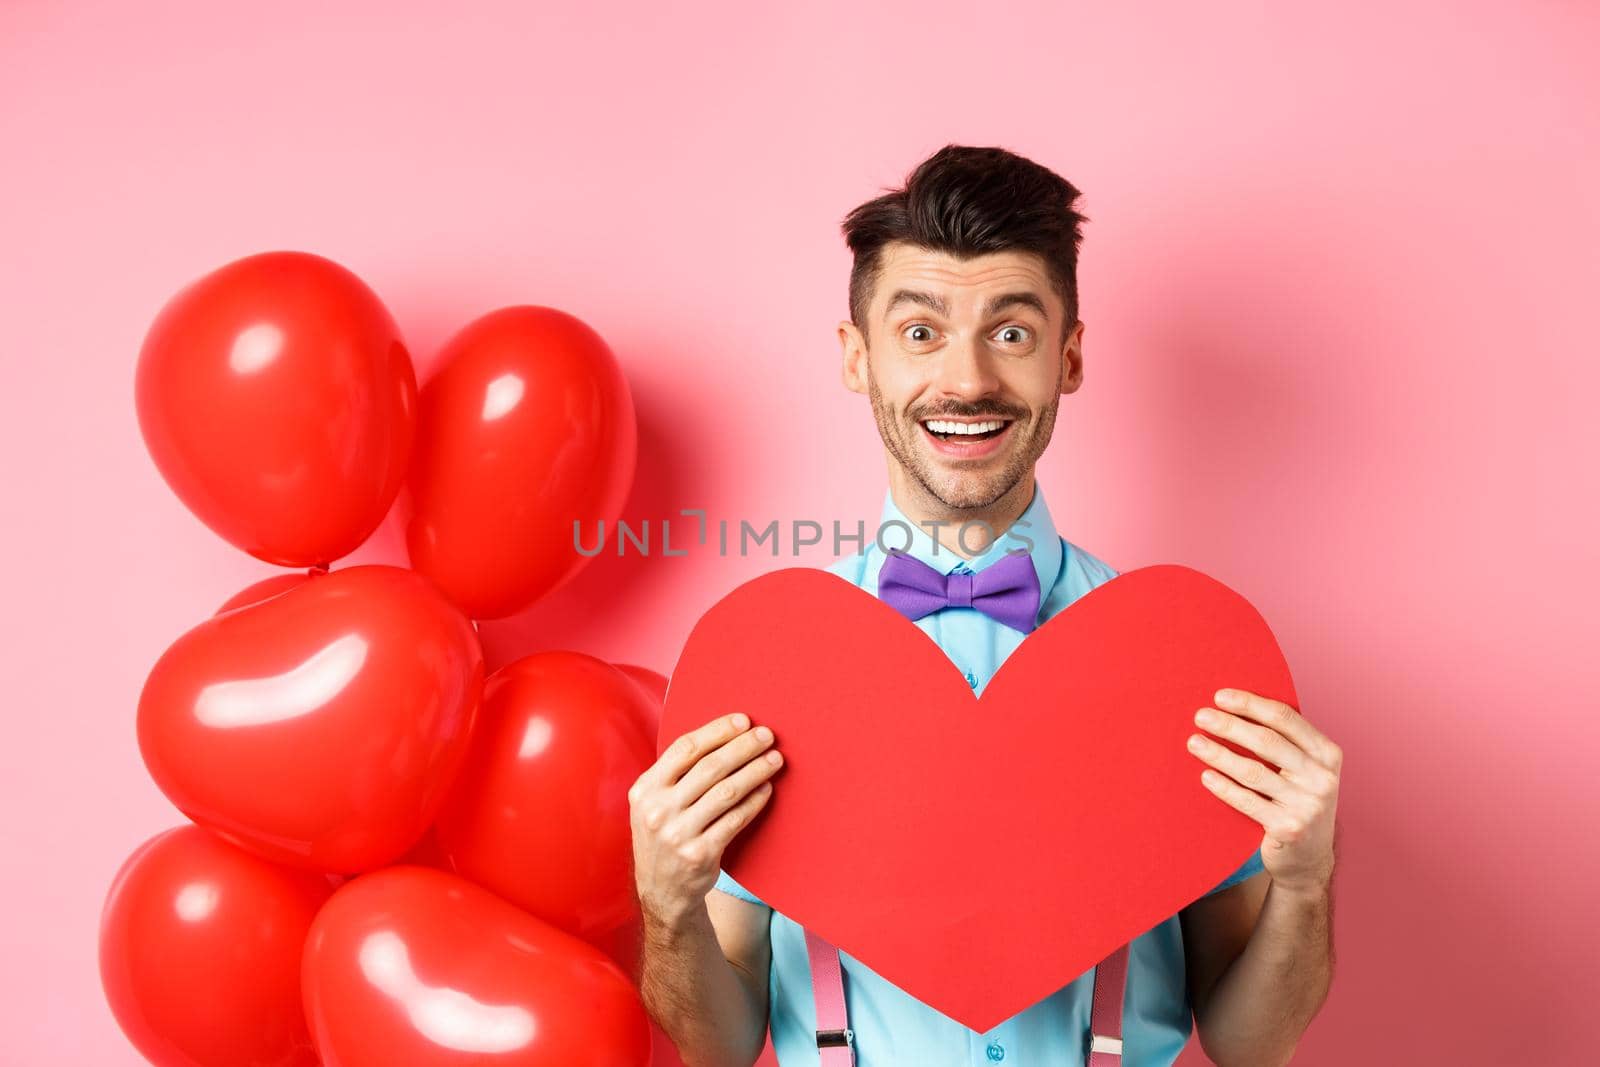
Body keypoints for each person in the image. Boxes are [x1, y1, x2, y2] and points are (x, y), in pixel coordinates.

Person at [629, 144, 1340, 1066]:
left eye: (1011, 332)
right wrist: (667, 907)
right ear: (858, 358)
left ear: (1069, 356)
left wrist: (1307, 882)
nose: (966, 381)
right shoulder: (766, 662)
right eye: (920, 332)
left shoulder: (1182, 661)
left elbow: (1254, 1043)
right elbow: (716, 1046)